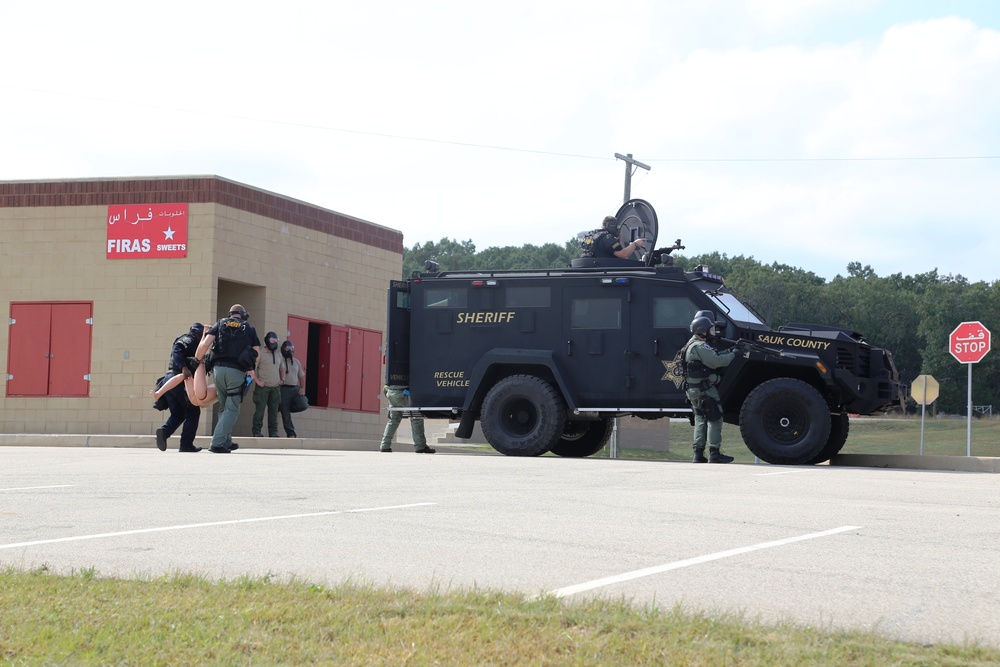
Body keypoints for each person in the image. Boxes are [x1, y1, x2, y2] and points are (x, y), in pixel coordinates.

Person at [196, 304, 260, 454]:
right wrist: (251, 370)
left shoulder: (220, 324)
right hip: (236, 372)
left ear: (230, 314)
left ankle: (226, 441)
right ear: (243, 315)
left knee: (225, 406)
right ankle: (216, 443)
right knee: (232, 409)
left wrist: (197, 360)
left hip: (218, 371)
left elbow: (205, 343)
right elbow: (256, 351)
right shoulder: (249, 329)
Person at [684, 315, 738, 463]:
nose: (713, 331)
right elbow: (716, 361)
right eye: (711, 329)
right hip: (704, 390)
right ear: (703, 331)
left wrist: (729, 350)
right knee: (715, 417)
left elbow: (713, 356)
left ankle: (698, 454)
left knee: (700, 417)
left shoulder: (691, 345)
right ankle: (714, 452)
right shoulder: (700, 346)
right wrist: (734, 354)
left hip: (694, 390)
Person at [153, 323, 204, 453]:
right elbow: (178, 349)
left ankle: (164, 432)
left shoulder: (194, 344)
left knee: (178, 414)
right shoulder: (190, 339)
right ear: (198, 333)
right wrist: (184, 367)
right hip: (178, 379)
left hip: (170, 380)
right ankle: (186, 444)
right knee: (193, 411)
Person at [379, 385, 435, 454]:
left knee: (393, 420)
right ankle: (420, 446)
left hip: (391, 394)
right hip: (403, 393)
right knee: (416, 418)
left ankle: (384, 445)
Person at [252, 331, 282, 437]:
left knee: (274, 412)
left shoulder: (278, 354)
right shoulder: (260, 353)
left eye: (275, 341)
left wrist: (282, 379)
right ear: (267, 341)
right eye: (272, 340)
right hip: (263, 388)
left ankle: (273, 433)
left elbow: (281, 368)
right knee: (260, 410)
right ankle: (256, 431)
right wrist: (258, 381)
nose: (274, 343)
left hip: (275, 387)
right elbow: (251, 370)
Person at [277, 340, 306, 438]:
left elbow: (301, 376)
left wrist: (303, 388)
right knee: (285, 413)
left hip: (295, 388)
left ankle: (285, 407)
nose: (289, 351)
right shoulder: (279, 360)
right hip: (283, 389)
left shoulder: (296, 361)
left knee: (303, 404)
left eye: (291, 349)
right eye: (287, 349)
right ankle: (291, 433)